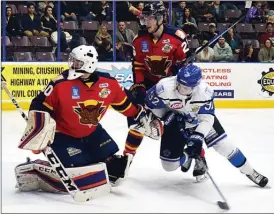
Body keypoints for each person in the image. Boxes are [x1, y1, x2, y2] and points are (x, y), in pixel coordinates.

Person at [14, 45, 153, 198]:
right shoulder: (59, 83)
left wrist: (139, 114)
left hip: (92, 132)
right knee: (78, 173)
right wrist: (39, 133)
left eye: (77, 63)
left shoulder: (109, 83)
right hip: (63, 135)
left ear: (89, 64)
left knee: (115, 169)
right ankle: (34, 168)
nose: (72, 65)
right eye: (72, 61)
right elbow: (38, 105)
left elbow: (125, 105)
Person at [145, 64, 269, 187]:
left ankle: (250, 172)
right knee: (169, 166)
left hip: (198, 120)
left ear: (195, 86)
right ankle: (191, 155)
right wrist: (165, 116)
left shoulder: (205, 92)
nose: (181, 90)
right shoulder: (163, 87)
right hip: (175, 122)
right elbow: (149, 105)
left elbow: (207, 118)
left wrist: (198, 137)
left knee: (225, 146)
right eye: (180, 85)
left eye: (186, 88)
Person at [122, 2, 207, 179]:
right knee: (135, 118)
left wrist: (180, 69)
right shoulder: (139, 39)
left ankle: (199, 157)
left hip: (171, 86)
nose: (146, 22)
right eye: (144, 18)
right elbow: (138, 65)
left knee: (184, 121)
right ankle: (126, 160)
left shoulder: (177, 37)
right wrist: (139, 85)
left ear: (161, 18)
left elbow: (185, 68)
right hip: (149, 84)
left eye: (150, 18)